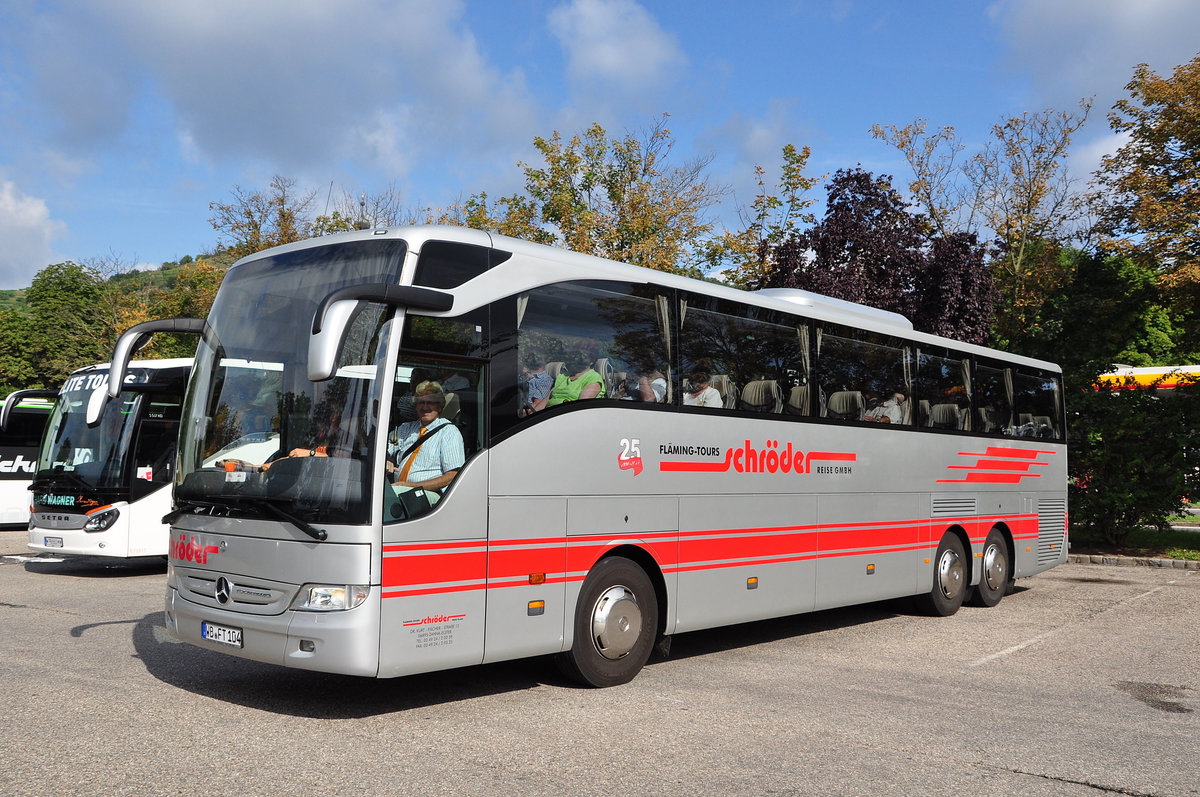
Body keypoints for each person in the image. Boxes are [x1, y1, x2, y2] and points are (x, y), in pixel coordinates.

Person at [385, 381, 465, 498]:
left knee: (385, 497)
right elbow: (387, 447)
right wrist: (388, 459)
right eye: (421, 402)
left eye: (431, 403)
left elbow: (452, 475)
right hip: (400, 489)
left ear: (439, 406)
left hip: (429, 494)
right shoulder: (405, 428)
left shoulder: (449, 432)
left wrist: (410, 486)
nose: (425, 407)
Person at [520, 352, 553, 416]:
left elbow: (536, 405)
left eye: (524, 363)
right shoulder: (526, 378)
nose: (521, 366)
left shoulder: (545, 380)